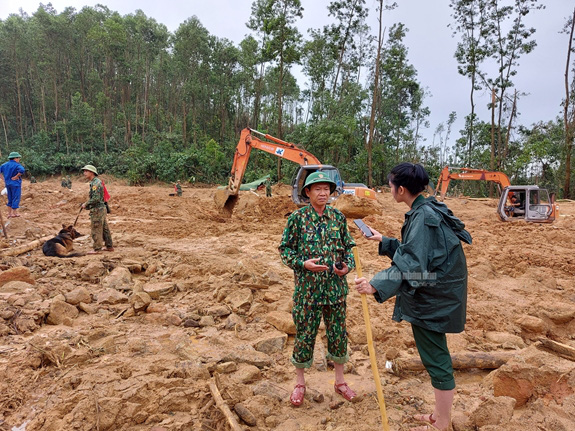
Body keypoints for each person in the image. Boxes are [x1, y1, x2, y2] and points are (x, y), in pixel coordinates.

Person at [354, 163, 471, 431]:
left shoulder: (423, 216)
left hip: (434, 297)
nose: (390, 190)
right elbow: (418, 252)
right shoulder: (426, 208)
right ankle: (438, 416)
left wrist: (376, 285)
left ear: (401, 189)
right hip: (437, 291)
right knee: (435, 354)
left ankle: (441, 424)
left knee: (436, 359)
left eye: (391, 185)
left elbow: (415, 268)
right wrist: (385, 241)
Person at [279, 171, 357, 407]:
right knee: (304, 336)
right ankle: (300, 383)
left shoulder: (338, 218)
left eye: (327, 189)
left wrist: (347, 268)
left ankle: (340, 382)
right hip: (307, 292)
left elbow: (349, 250)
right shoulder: (297, 219)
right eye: (318, 189)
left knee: (338, 335)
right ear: (308, 193)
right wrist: (303, 264)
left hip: (335, 291)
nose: (323, 193)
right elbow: (285, 250)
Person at [81, 164, 114, 254]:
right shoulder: (96, 182)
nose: (84, 173)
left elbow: (96, 198)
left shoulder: (95, 183)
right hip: (101, 209)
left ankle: (97, 248)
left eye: (86, 171)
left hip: (97, 210)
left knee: (96, 229)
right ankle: (109, 246)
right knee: (104, 228)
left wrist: (86, 204)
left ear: (92, 172)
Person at [0, 152, 26, 218]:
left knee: (10, 198)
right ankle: (14, 213)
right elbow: (22, 170)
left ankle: (9, 214)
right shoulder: (17, 165)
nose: (19, 159)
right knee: (16, 197)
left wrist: (3, 179)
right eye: (18, 158)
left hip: (8, 184)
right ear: (15, 158)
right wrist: (17, 176)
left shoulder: (4, 165)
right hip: (15, 184)